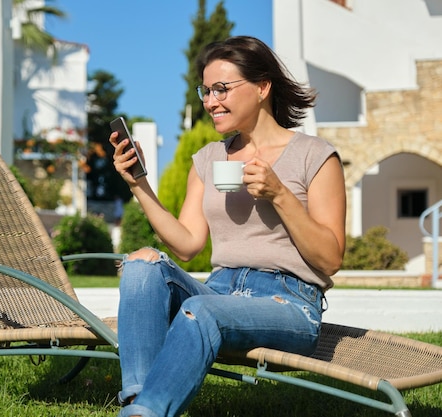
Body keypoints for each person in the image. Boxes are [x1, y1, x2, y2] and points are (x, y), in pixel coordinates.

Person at [108, 36, 346, 417]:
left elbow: (330, 258)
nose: (210, 101)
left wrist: (279, 194)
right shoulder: (208, 159)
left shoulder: (315, 156)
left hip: (289, 301)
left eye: (222, 89)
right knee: (140, 265)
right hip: (220, 289)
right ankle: (140, 403)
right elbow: (187, 246)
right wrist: (138, 185)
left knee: (203, 310)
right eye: (206, 90)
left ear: (263, 87)